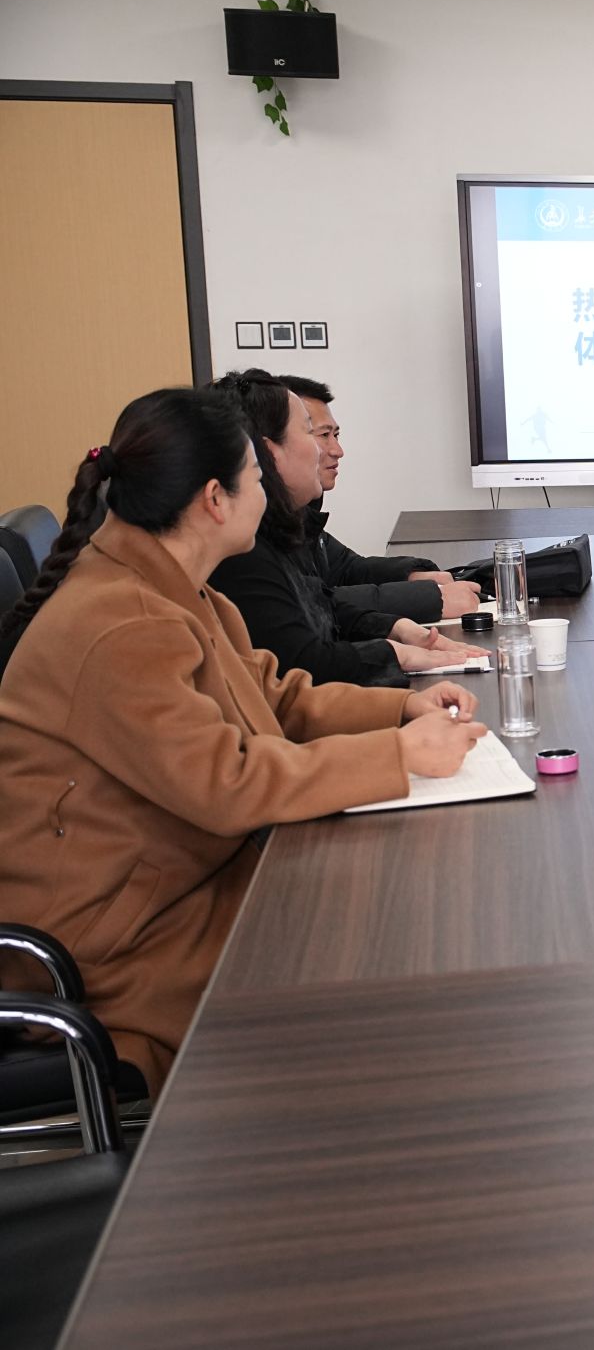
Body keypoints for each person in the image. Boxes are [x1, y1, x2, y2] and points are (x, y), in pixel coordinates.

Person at [0, 388, 487, 1089]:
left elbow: (276, 698)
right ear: (214, 500)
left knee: (376, 923)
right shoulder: (123, 622)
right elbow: (226, 782)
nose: (270, 495)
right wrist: (396, 757)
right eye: (257, 478)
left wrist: (400, 713)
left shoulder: (177, 588)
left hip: (176, 885)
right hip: (116, 942)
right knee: (362, 960)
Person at [206, 370, 483, 686]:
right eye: (312, 433)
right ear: (269, 454)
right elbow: (303, 665)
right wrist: (395, 653)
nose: (331, 451)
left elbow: (320, 599)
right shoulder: (242, 550)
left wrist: (395, 627)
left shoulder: (276, 529)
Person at [273, 374, 482, 623]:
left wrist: (414, 574)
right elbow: (311, 603)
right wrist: (430, 598)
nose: (338, 451)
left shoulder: (301, 513)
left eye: (336, 435)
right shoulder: (262, 529)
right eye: (322, 435)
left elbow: (347, 569)